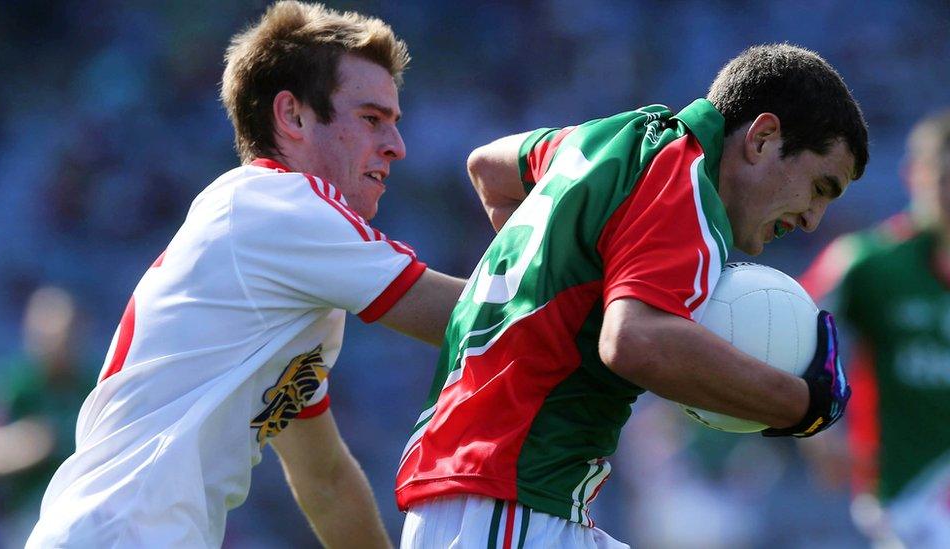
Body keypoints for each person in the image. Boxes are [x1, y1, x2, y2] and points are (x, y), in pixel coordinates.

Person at [27, 2, 469, 547]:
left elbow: (325, 480)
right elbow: (470, 319)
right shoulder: (278, 203)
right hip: (124, 533)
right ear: (294, 116)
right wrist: (594, 278)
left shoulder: (279, 253)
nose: (396, 147)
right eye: (371, 119)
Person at [396, 43, 866, 548]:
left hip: (494, 495)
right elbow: (636, 340)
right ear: (764, 138)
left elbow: (488, 168)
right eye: (821, 187)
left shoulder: (606, 140)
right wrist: (803, 403)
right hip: (509, 497)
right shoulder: (687, 185)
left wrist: (552, 278)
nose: (813, 219)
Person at [799, 110, 950, 548]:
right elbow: (786, 325)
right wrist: (816, 427)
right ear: (914, 177)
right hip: (905, 495)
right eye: (944, 178)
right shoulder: (868, 263)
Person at [0, 286, 94, 546]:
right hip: (28, 515)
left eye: (67, 333)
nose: (58, 344)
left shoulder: (92, 384)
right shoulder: (14, 383)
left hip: (85, 509)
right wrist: (24, 445)